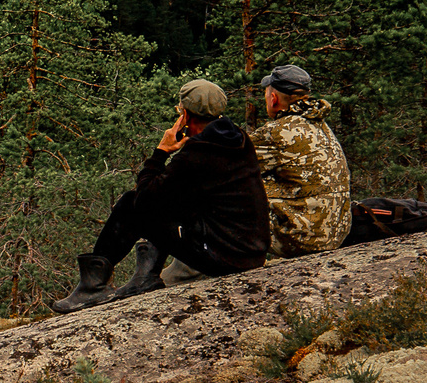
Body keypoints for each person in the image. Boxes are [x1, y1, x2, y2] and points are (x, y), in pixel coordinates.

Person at [51, 79, 269, 313]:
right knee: (167, 199)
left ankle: (93, 286)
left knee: (130, 204)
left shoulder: (198, 153)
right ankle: (145, 275)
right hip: (251, 252)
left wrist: (161, 151)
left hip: (226, 259)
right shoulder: (238, 140)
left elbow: (144, 200)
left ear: (185, 115)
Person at [248, 63, 350, 257]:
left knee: (235, 187)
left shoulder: (277, 132)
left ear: (273, 98)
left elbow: (226, 164)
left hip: (302, 240)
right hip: (337, 233)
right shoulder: (321, 125)